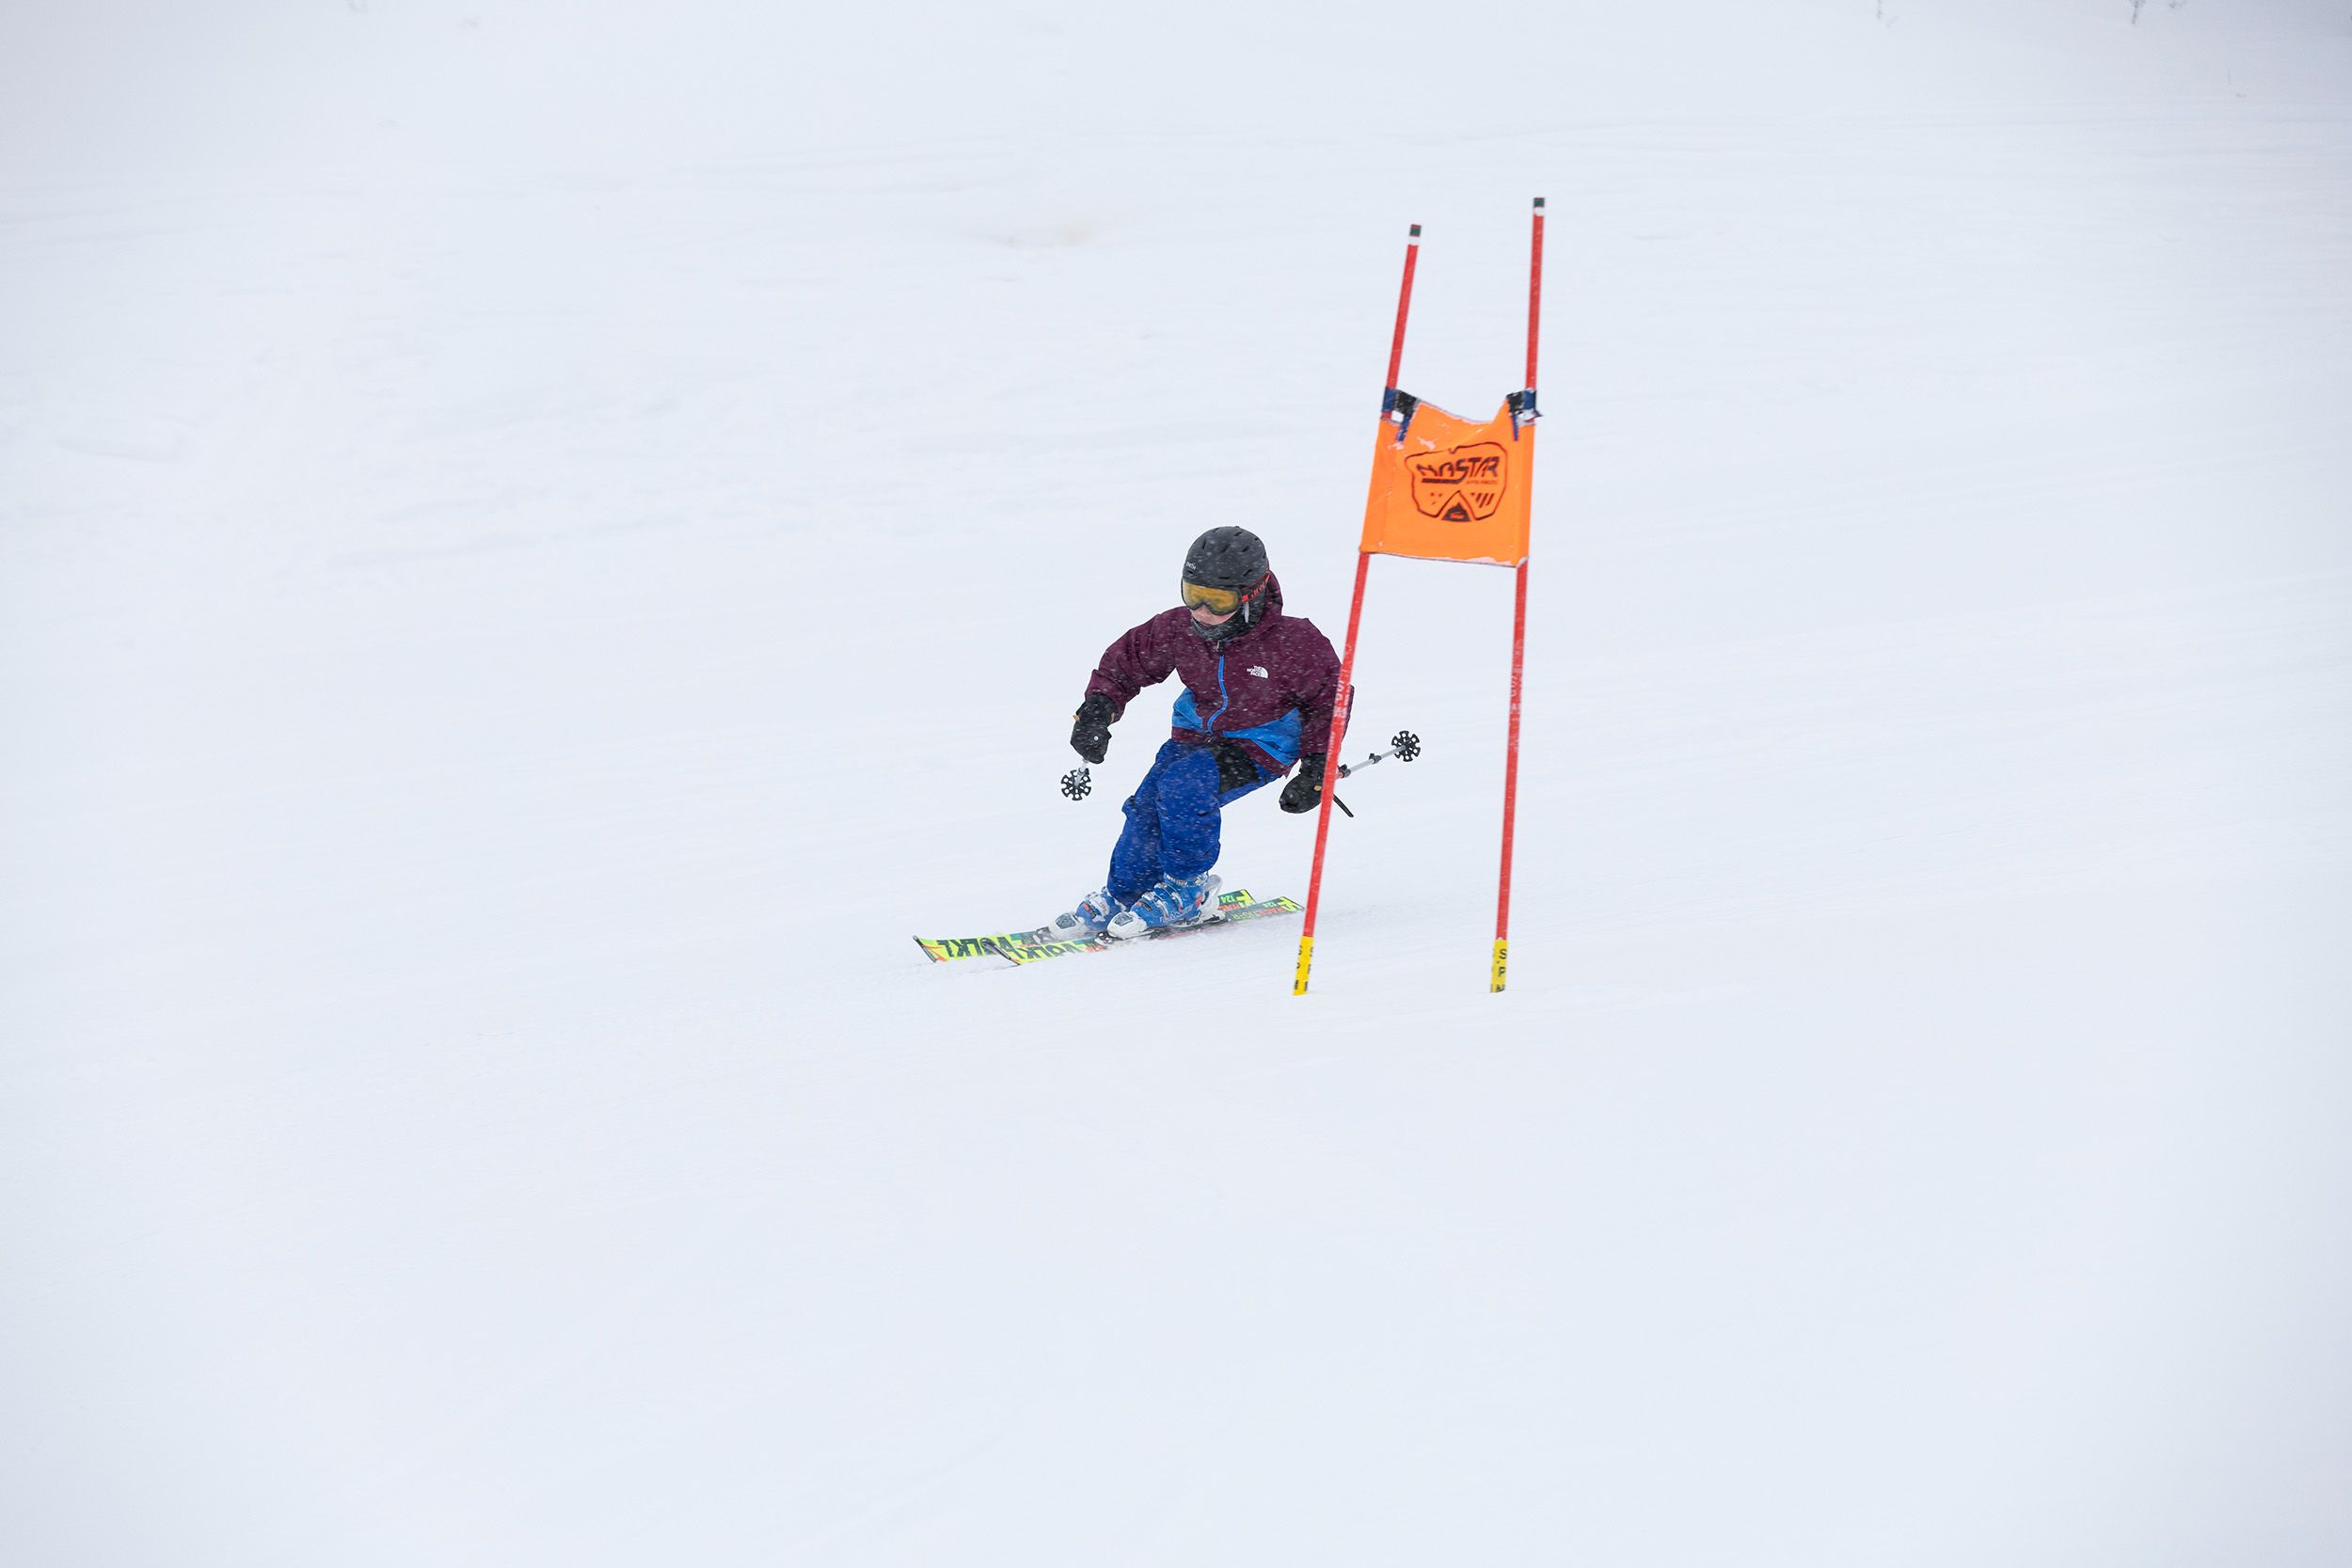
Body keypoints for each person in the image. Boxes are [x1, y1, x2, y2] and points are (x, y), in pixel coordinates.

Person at [1053, 526, 1345, 941]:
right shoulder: (1179, 629)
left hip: (1262, 742)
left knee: (1184, 790)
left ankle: (1190, 888)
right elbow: (1126, 662)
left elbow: (1328, 701)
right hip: (1195, 735)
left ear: (1252, 594)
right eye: (1193, 594)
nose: (1203, 611)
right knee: (1147, 804)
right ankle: (1127, 891)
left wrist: (1317, 768)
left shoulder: (1293, 642)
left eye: (1219, 600)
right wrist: (1098, 711)